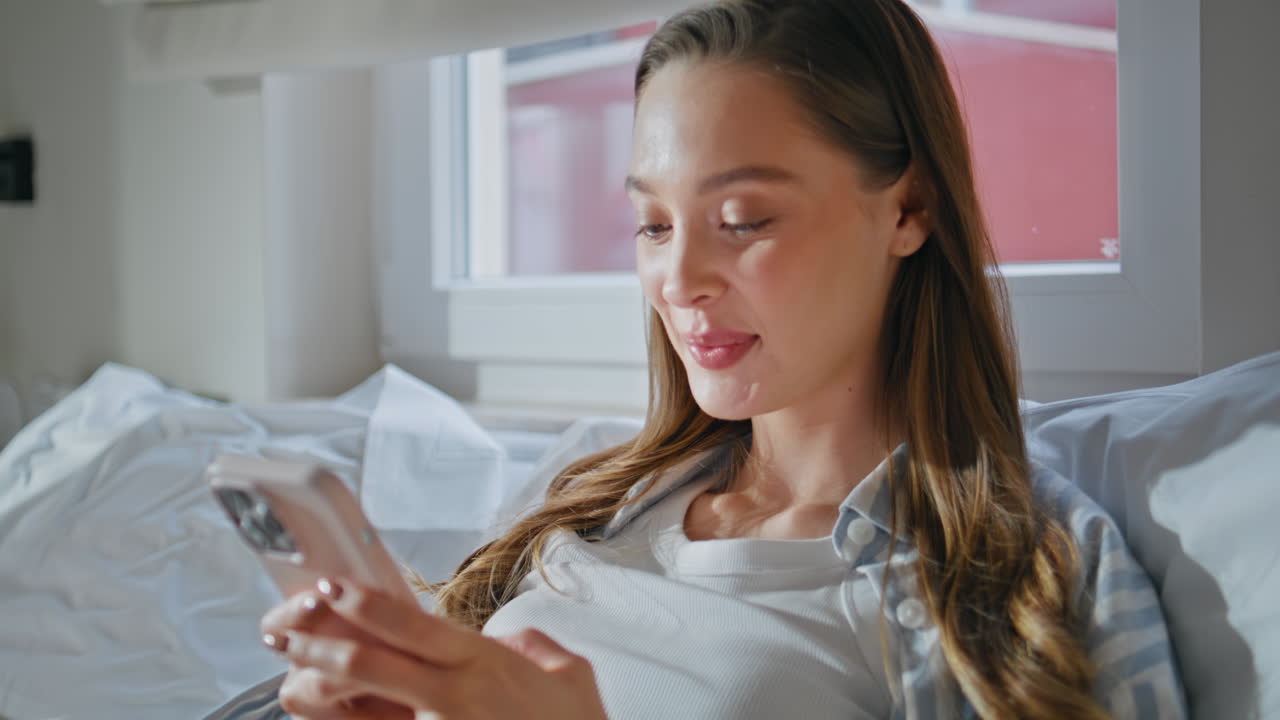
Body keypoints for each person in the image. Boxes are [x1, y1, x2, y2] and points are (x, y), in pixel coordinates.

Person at [260, 0, 1188, 717]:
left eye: (743, 221)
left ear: (909, 210)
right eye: (653, 224)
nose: (679, 281)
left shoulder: (1021, 585)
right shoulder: (596, 504)